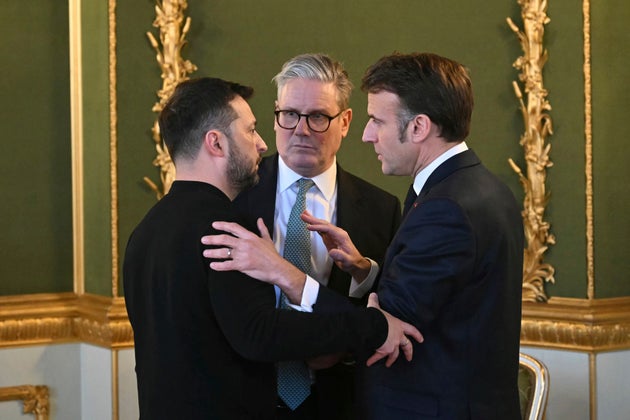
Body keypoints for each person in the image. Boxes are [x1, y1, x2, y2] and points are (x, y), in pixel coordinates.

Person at [205, 52, 524, 419]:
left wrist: (285, 274)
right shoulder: (228, 196)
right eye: (289, 115)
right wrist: (367, 274)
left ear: (418, 127)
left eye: (376, 121)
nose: (368, 135)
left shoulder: (426, 206)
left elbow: (385, 327)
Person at [123, 77, 421, 420]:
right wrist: (374, 326)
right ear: (216, 143)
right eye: (250, 131)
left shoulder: (145, 230)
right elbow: (261, 333)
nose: (262, 143)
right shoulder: (228, 229)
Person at [230, 53, 402, 419]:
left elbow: (386, 312)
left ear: (346, 122)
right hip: (246, 396)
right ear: (275, 115)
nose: (302, 129)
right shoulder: (233, 197)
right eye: (289, 114)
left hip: (340, 403)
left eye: (319, 117)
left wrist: (363, 272)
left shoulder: (380, 208)